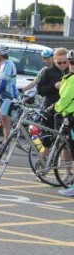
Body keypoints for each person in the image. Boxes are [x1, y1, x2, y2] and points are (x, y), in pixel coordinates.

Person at [0, 45, 19, 152]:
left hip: (9, 97)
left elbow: (3, 82)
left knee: (6, 122)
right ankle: (5, 143)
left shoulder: (7, 64)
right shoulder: (6, 64)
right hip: (6, 96)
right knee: (4, 121)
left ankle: (6, 145)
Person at [56, 50, 74, 197]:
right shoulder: (68, 77)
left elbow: (66, 98)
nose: (71, 65)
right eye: (70, 62)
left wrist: (55, 108)